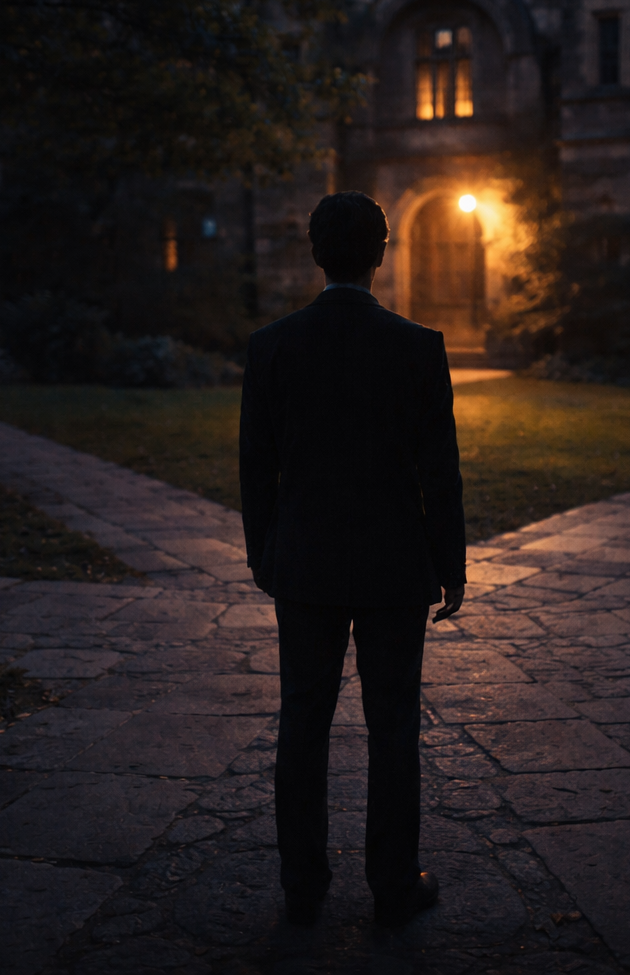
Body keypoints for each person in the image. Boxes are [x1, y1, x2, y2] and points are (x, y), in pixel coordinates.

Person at [239, 190, 466, 929]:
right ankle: (393, 885)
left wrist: (265, 555)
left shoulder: (273, 345)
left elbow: (255, 468)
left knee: (302, 721)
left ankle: (303, 887)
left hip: (303, 563)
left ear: (316, 254)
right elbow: (440, 471)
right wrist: (450, 564)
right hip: (395, 566)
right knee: (393, 725)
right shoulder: (417, 346)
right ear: (381, 252)